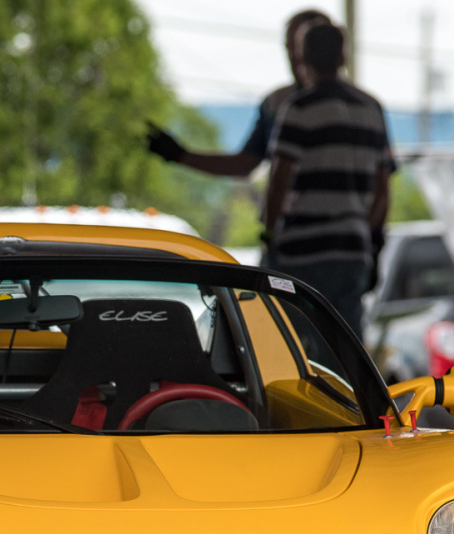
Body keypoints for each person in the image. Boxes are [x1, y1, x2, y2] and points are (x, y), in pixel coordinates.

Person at [262, 21, 393, 340]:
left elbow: (279, 180)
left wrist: (269, 232)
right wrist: (365, 230)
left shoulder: (299, 108)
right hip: (352, 250)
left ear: (302, 59)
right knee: (345, 346)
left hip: (303, 251)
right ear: (342, 57)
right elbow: (383, 191)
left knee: (299, 347)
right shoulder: (370, 109)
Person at [145, 9, 331, 180]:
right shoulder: (276, 103)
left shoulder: (355, 106)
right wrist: (180, 155)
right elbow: (246, 162)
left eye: (300, 48)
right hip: (292, 216)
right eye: (289, 48)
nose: (294, 57)